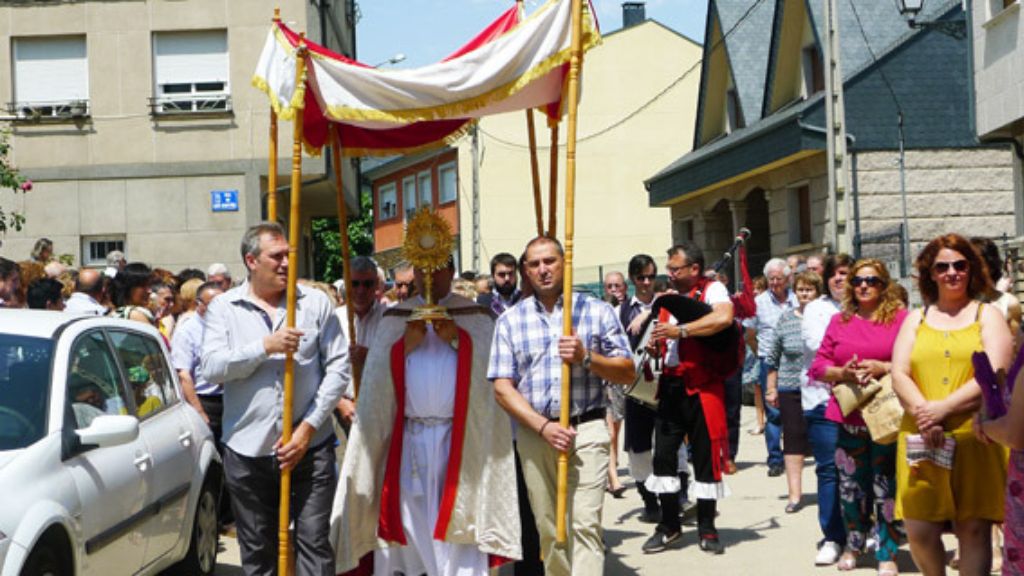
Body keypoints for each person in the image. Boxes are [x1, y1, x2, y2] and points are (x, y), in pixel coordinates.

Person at [332, 254, 521, 575]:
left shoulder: (476, 316)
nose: (429, 277)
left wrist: (456, 340)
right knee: (409, 519)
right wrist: (403, 346)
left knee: (459, 523)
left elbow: (489, 377)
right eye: (422, 269)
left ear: (450, 270)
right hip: (409, 438)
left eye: (436, 268)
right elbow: (377, 380)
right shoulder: (396, 319)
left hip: (461, 442)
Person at [201, 222, 349, 576]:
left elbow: (339, 368)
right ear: (251, 261)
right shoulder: (225, 308)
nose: (286, 263)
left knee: (314, 544)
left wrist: (307, 429)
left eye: (289, 256)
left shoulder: (314, 304)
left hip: (309, 448)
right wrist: (264, 347)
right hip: (247, 449)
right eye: (276, 256)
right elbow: (211, 368)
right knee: (259, 550)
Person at [488, 236, 634, 575]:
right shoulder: (510, 321)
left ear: (564, 263)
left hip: (587, 428)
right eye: (535, 264)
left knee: (584, 525)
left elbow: (628, 372)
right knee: (550, 530)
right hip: (536, 434)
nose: (543, 270)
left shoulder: (595, 310)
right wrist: (543, 426)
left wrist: (587, 358)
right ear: (525, 271)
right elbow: (501, 388)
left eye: (550, 261)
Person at [892, 233, 1012, 576]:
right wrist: (925, 414)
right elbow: (899, 373)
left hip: (974, 434)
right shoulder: (916, 318)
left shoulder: (987, 315)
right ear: (931, 273)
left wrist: (943, 409)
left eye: (959, 265)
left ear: (970, 269)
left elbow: (996, 371)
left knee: (973, 529)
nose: (952, 272)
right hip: (921, 434)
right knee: (919, 529)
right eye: (942, 266)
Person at [810, 259, 908, 573]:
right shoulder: (841, 320)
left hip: (888, 418)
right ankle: (853, 546)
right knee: (850, 487)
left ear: (885, 286)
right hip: (849, 417)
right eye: (858, 281)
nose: (864, 286)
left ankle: (887, 552)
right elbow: (818, 366)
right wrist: (842, 372)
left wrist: (883, 367)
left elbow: (915, 362)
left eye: (872, 281)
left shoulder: (901, 319)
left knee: (886, 487)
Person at [642, 241, 734, 555]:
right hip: (671, 387)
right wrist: (656, 346)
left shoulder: (713, 291)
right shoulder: (667, 300)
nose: (669, 274)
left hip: (703, 386)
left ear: (694, 269)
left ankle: (707, 528)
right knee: (663, 457)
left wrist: (680, 332)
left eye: (675, 269)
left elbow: (722, 320)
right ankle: (669, 525)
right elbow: (660, 340)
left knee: (707, 459)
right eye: (668, 268)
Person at [764, 271, 820, 513]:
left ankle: (832, 490)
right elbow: (773, 356)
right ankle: (794, 495)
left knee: (824, 441)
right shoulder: (786, 319)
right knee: (793, 440)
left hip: (820, 388)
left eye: (810, 289)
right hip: (790, 388)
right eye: (801, 289)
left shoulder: (827, 317)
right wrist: (771, 388)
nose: (805, 294)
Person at [619, 254, 662, 522]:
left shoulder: (665, 303)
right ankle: (649, 501)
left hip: (666, 383)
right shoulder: (621, 310)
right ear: (633, 279)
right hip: (636, 386)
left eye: (650, 276)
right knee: (638, 446)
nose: (647, 283)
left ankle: (678, 497)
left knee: (672, 443)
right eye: (641, 278)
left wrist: (650, 313)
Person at [745, 258, 797, 477]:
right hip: (770, 361)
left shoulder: (798, 299)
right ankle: (775, 459)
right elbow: (750, 334)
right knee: (773, 411)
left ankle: (796, 454)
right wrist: (761, 354)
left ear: (787, 279)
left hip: (795, 362)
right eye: (771, 279)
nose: (775, 282)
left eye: (779, 278)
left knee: (795, 411)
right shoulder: (758, 302)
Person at [334, 256, 388, 426]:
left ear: (377, 285)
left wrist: (371, 357)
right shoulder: (334, 319)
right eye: (355, 284)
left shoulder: (390, 318)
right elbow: (319, 368)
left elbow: (402, 363)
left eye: (368, 284)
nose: (361, 290)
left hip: (380, 409)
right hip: (343, 409)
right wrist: (340, 402)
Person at [477, 252, 521, 317]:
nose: (507, 278)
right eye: (502, 274)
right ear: (493, 276)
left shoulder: (524, 299)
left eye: (511, 273)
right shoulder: (483, 301)